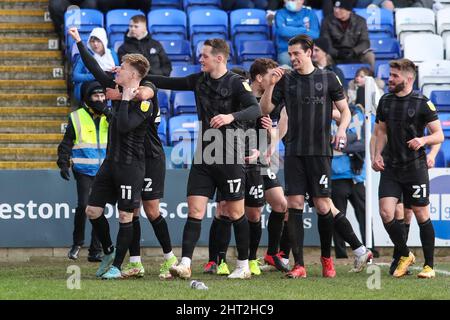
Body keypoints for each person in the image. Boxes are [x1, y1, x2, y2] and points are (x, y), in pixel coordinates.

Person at [146, 38, 262, 280]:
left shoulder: (237, 83)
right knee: (195, 209)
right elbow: (167, 81)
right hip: (204, 154)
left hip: (229, 154)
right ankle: (185, 263)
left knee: (235, 212)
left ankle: (242, 266)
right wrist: (140, 76)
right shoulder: (198, 80)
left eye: (204, 56)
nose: (200, 59)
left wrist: (230, 116)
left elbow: (255, 110)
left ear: (219, 58)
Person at [260, 34, 373, 279]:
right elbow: (265, 110)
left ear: (309, 52)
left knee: (323, 206)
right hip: (294, 152)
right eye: (290, 54)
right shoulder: (286, 80)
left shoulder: (328, 78)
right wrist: (269, 85)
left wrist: (342, 130)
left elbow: (344, 111)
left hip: (320, 152)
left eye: (296, 54)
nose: (292, 59)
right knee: (295, 204)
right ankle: (299, 265)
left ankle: (329, 258)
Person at [68, 27, 156, 280]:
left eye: (123, 68)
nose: (118, 70)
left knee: (126, 215)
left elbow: (125, 125)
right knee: (92, 211)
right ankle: (108, 250)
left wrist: (125, 100)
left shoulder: (143, 100)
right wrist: (78, 42)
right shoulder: (116, 87)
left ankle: (117, 265)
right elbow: (93, 67)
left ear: (134, 75)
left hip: (131, 166)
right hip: (110, 162)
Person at [372, 58, 444, 278]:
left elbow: (438, 134)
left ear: (408, 78)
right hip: (391, 167)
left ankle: (429, 266)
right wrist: (376, 155)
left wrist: (423, 141)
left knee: (421, 213)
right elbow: (380, 132)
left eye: (394, 76)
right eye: (390, 75)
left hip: (415, 167)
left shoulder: (422, 102)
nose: (389, 79)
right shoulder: (385, 100)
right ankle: (405, 253)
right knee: (386, 212)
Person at [104, 80, 177, 281]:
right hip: (133, 161)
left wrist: (120, 96)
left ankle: (170, 259)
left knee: (152, 210)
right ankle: (135, 262)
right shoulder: (124, 90)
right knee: (132, 210)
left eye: (124, 68)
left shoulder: (147, 87)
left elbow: (146, 93)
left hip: (151, 158)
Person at [57, 81, 107, 263]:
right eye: (96, 96)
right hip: (84, 169)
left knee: (99, 210)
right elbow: (66, 143)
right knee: (84, 205)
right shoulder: (76, 117)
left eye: (103, 96)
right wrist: (63, 163)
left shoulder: (110, 116)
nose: (100, 100)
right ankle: (77, 243)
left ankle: (96, 250)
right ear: (87, 98)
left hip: (105, 172)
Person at [320, 0, 375, 71]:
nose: (336, 11)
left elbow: (365, 42)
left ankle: (370, 77)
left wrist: (354, 51)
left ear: (349, 11)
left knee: (369, 56)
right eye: (335, 7)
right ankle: (327, 78)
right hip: (336, 54)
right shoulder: (327, 21)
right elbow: (326, 42)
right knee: (325, 57)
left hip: (355, 53)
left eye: (340, 8)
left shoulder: (360, 21)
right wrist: (337, 53)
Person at [72, 27, 119, 102]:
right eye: (92, 41)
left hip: (110, 84)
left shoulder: (112, 54)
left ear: (103, 41)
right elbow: (75, 76)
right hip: (91, 85)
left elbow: (118, 72)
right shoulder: (85, 56)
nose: (95, 44)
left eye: (98, 41)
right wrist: (95, 75)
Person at [275, 0, 320, 66]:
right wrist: (305, 30)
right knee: (285, 60)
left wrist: (290, 30)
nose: (289, 1)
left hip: (306, 50)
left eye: (293, 0)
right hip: (286, 51)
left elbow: (315, 35)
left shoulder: (310, 13)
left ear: (302, 1)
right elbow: (282, 31)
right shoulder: (280, 13)